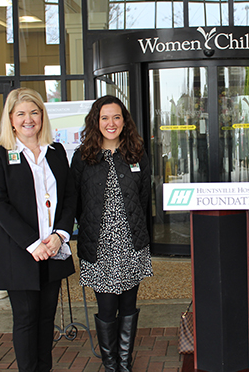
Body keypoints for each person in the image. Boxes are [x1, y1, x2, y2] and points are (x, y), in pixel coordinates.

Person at [0, 88, 76, 372]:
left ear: (42, 116)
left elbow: (70, 196)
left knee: (47, 318)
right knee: (26, 319)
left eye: (34, 112)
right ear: (11, 119)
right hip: (20, 252)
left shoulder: (56, 151)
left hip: (53, 249)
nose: (29, 119)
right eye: (21, 113)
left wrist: (60, 235)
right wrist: (33, 243)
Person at [71, 95, 152, 372]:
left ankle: (124, 364)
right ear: (96, 121)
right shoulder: (83, 157)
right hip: (99, 245)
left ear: (124, 121)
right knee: (106, 308)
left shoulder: (137, 154)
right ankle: (110, 365)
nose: (111, 123)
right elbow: (75, 201)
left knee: (129, 306)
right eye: (104, 117)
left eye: (117, 117)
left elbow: (143, 198)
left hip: (131, 243)